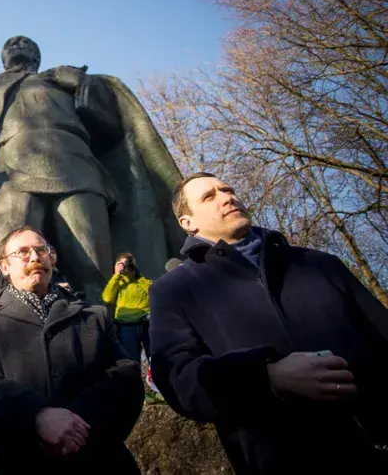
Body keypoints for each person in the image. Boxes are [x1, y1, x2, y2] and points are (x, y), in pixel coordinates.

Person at [149, 172, 388, 474]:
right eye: (209, 197)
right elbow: (178, 378)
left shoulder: (319, 263)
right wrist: (266, 377)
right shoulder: (174, 290)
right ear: (188, 223)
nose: (227, 197)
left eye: (228, 189)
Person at [0, 35, 183, 304]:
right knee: (9, 271)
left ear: (37, 58)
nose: (18, 46)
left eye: (26, 44)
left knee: (93, 270)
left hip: (77, 168)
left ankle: (102, 338)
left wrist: (82, 85)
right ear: (3, 59)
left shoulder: (62, 82)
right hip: (10, 176)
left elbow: (111, 129)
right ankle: (10, 339)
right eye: (11, 45)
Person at [0, 226, 144, 473]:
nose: (34, 258)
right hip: (17, 462)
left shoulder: (93, 315)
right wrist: (37, 416)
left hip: (99, 459)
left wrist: (76, 424)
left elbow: (126, 374)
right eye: (22, 252)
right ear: (4, 267)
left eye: (41, 250)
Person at [102, 253, 152, 362]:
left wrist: (138, 277)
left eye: (130, 264)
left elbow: (153, 292)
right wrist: (116, 275)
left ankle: (156, 378)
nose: (127, 267)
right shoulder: (118, 282)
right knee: (131, 360)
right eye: (124, 264)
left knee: (155, 358)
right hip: (127, 327)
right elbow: (107, 298)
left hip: (146, 324)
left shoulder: (141, 281)